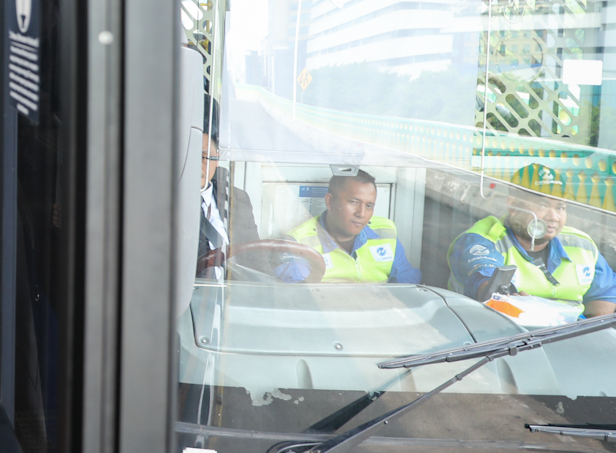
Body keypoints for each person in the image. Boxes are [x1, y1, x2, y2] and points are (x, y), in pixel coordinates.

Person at [449, 165, 616, 316]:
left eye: (560, 207)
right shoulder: (483, 240)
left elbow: (606, 294)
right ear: (513, 206)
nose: (553, 217)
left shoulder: (582, 245)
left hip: (571, 334)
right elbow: (489, 289)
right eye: (543, 206)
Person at [275, 170, 421, 284]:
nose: (361, 213)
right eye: (354, 202)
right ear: (330, 202)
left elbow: (406, 281)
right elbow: (298, 293)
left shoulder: (385, 230)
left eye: (369, 205)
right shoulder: (300, 241)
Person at [194, 111, 260, 280]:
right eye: (189, 156)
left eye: (203, 156)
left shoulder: (237, 199)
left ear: (217, 158)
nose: (196, 165)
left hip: (235, 293)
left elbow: (256, 259)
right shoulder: (161, 203)